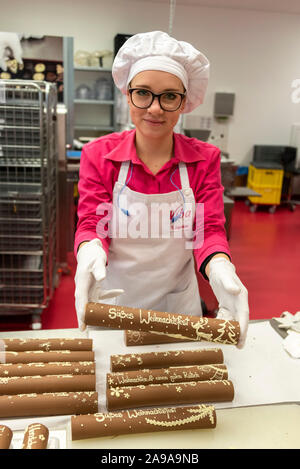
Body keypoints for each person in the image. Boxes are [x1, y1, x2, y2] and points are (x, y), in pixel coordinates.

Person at [74, 31, 249, 347]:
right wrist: (89, 251)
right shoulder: (99, 156)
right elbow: (91, 224)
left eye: (169, 96)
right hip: (113, 306)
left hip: (176, 309)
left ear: (184, 102)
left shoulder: (203, 159)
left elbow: (207, 231)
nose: (155, 108)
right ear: (127, 95)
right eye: (143, 93)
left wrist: (221, 267)